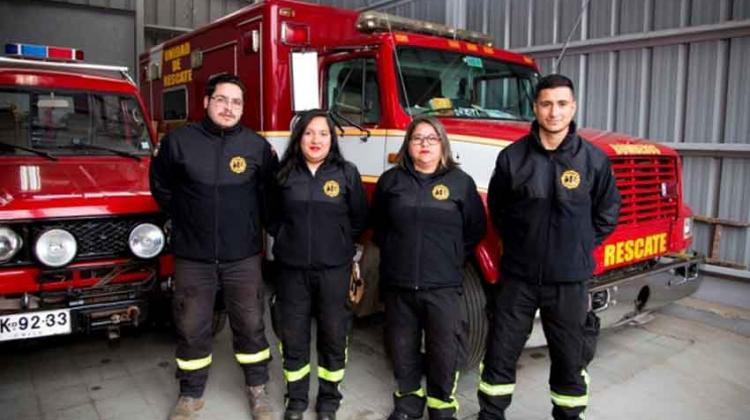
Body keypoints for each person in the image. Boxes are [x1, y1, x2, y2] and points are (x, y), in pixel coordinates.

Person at [477, 74, 621, 420]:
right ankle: (491, 415)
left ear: (573, 107)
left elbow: (607, 213)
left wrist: (578, 247)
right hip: (519, 279)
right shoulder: (512, 158)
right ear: (535, 108)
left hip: (569, 280)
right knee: (500, 353)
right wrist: (523, 246)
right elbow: (499, 211)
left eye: (561, 104)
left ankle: (569, 415)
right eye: (546, 104)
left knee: (570, 356)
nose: (553, 112)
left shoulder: (594, 161)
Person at [150, 74, 278, 420]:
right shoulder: (179, 142)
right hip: (194, 256)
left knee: (251, 323)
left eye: (236, 102)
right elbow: (160, 184)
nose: (228, 107)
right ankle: (190, 394)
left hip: (243, 256)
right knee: (191, 325)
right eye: (222, 99)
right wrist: (185, 215)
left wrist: (255, 227)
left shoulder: (257, 147)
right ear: (206, 102)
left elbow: (269, 195)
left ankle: (257, 390)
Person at [371, 116, 486, 420]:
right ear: (407, 145)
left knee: (445, 351)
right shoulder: (391, 182)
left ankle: (441, 406)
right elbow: (379, 227)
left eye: (431, 138)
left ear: (442, 144)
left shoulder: (460, 183)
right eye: (417, 138)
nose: (424, 144)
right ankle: (408, 403)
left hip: (443, 285)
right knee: (402, 347)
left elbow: (474, 228)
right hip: (399, 284)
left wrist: (449, 257)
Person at [269, 109, 368, 420]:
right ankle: (296, 400)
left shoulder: (346, 173)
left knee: (334, 336)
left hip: (334, 271)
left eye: (323, 133)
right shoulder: (283, 174)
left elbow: (359, 218)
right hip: (291, 271)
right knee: (293, 336)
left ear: (332, 139)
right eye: (309, 133)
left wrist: (337, 243)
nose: (316, 139)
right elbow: (270, 217)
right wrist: (287, 237)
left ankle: (329, 400)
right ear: (299, 138)